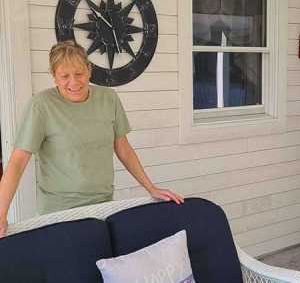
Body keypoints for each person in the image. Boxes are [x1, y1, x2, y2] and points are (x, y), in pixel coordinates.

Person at [0, 40, 184, 237]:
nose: (74, 82)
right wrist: (2, 213)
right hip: (59, 212)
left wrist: (151, 188)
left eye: (79, 73)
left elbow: (123, 148)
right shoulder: (41, 106)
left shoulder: (108, 98)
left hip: (104, 206)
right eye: (64, 76)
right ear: (54, 77)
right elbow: (18, 162)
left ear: (89, 70)